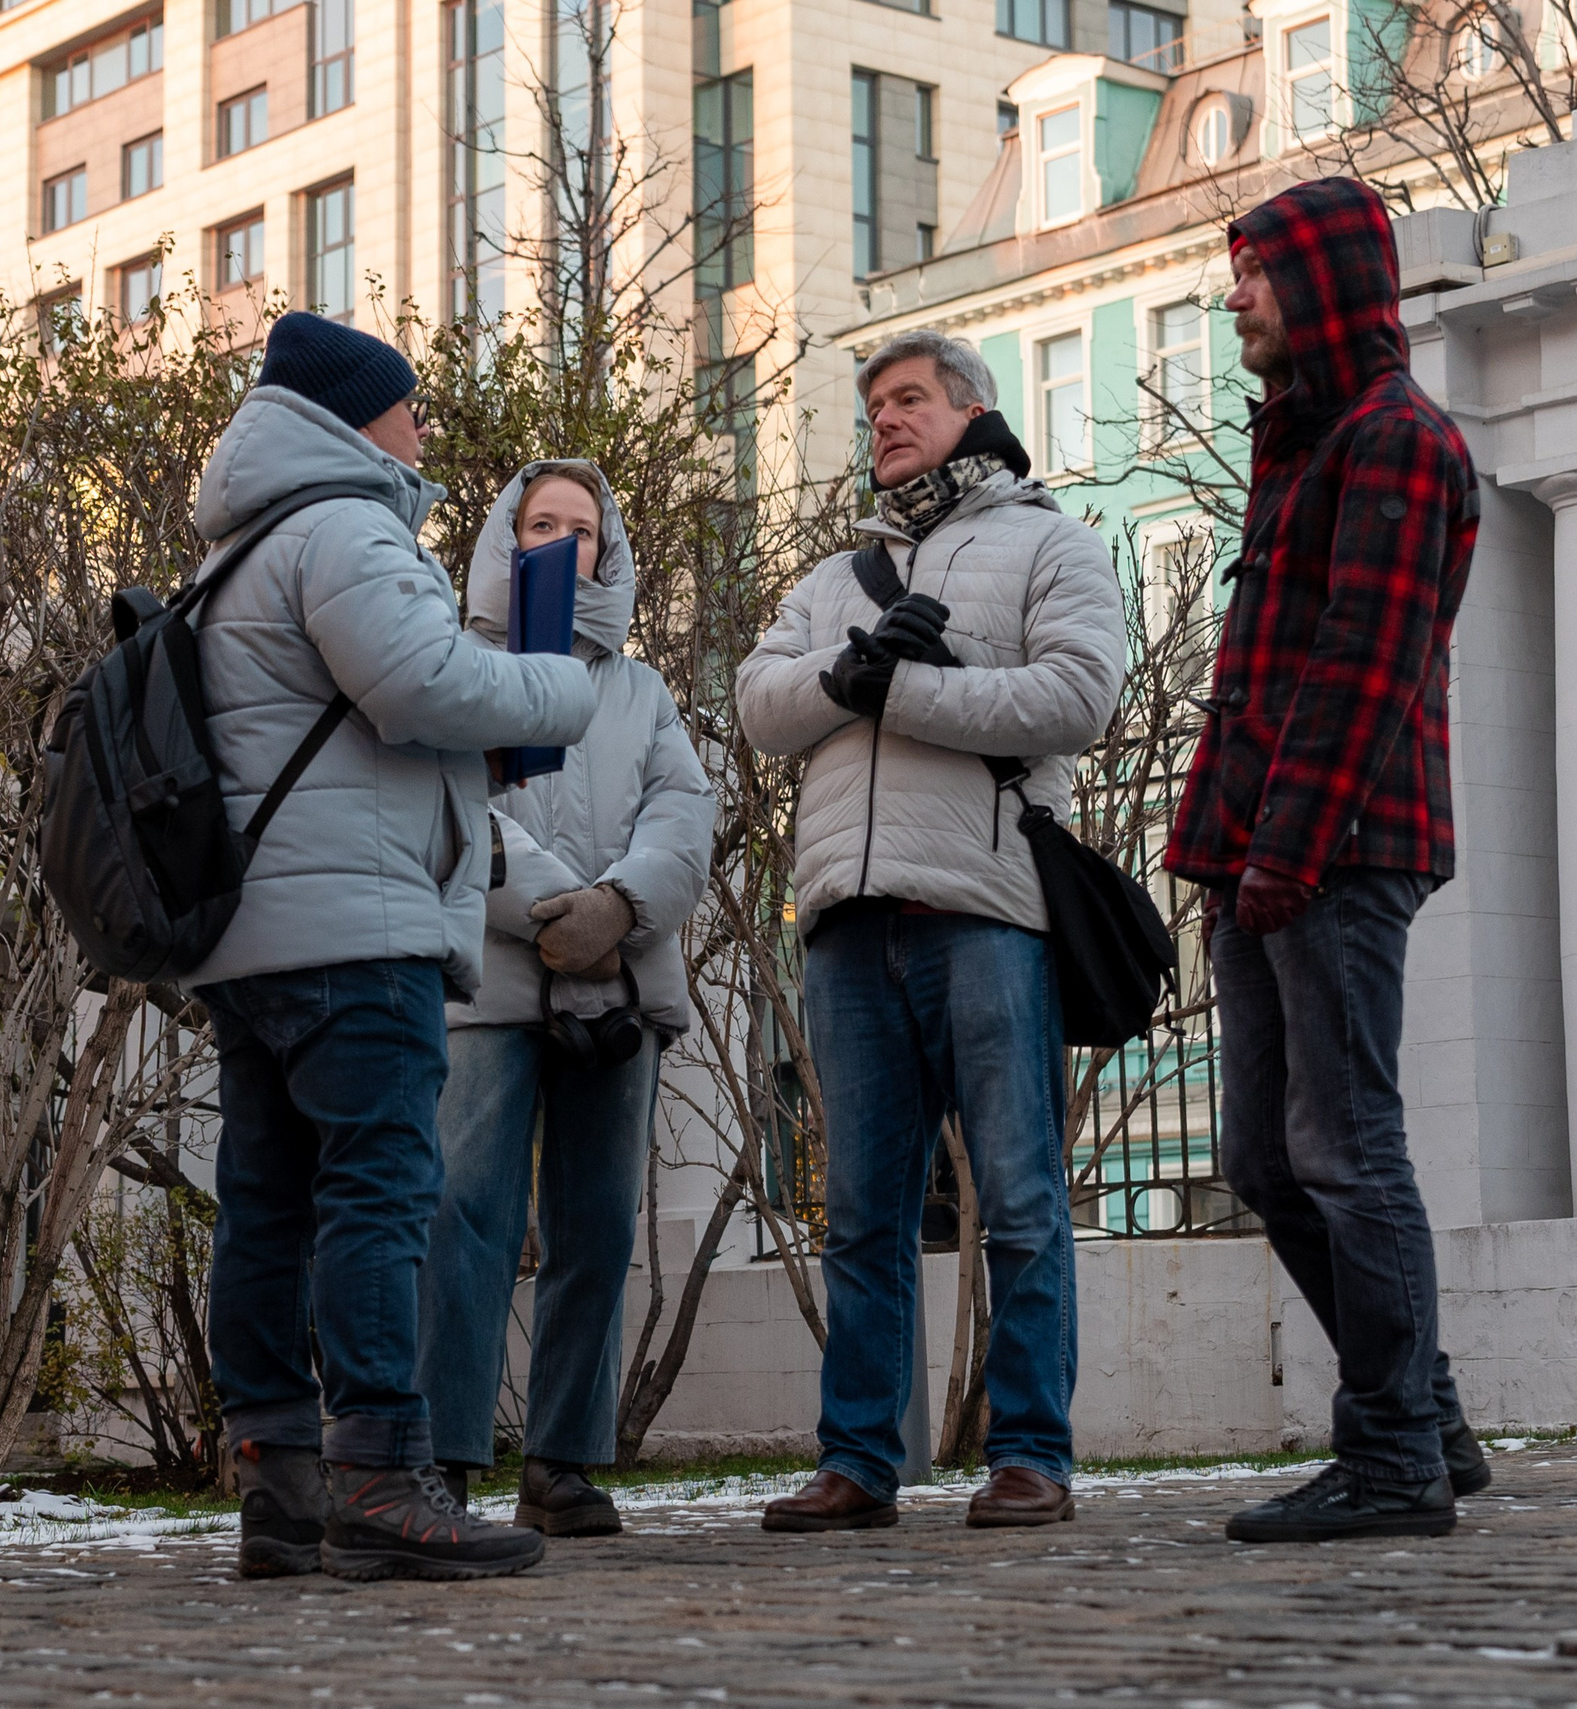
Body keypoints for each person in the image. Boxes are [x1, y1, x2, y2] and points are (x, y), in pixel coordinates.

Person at [184, 313, 598, 1582]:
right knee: (377, 1190)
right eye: (409, 406)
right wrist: (560, 686)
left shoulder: (238, 544)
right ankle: (379, 1475)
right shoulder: (344, 527)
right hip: (351, 930)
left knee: (267, 1204)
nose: (421, 429)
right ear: (358, 414)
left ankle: (279, 1483)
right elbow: (422, 686)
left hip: (255, 932)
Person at [736, 330, 1125, 1532]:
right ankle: (858, 1458)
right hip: (847, 925)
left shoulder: (1051, 543)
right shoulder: (830, 580)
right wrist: (846, 676)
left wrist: (903, 689)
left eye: (909, 399)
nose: (887, 422)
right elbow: (758, 703)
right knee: (862, 1212)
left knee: (1018, 1196)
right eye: (874, 410)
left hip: (985, 911)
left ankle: (1030, 1454)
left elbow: (1078, 696)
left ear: (971, 410)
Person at [1167, 179, 1488, 1545]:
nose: (1234, 294)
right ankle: (1433, 1418)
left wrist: (1284, 855)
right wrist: (1223, 849)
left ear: (1324, 284)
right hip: (1267, 854)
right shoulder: (1305, 442)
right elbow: (1260, 675)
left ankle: (1395, 1455)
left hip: (1337, 850)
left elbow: (1364, 668)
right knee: (1263, 1156)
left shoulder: (1398, 440)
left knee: (1348, 1150)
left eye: (1255, 272)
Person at [416, 460, 715, 1538]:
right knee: (466, 1217)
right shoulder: (455, 665)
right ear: (507, 536)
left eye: (580, 528)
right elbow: (457, 809)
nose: (560, 542)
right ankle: (442, 1459)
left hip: (620, 984)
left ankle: (562, 1463)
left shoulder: (641, 691)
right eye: (539, 522)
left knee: (594, 1224)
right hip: (491, 985)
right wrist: (560, 910)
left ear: (607, 551)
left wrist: (618, 907)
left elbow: (683, 815)